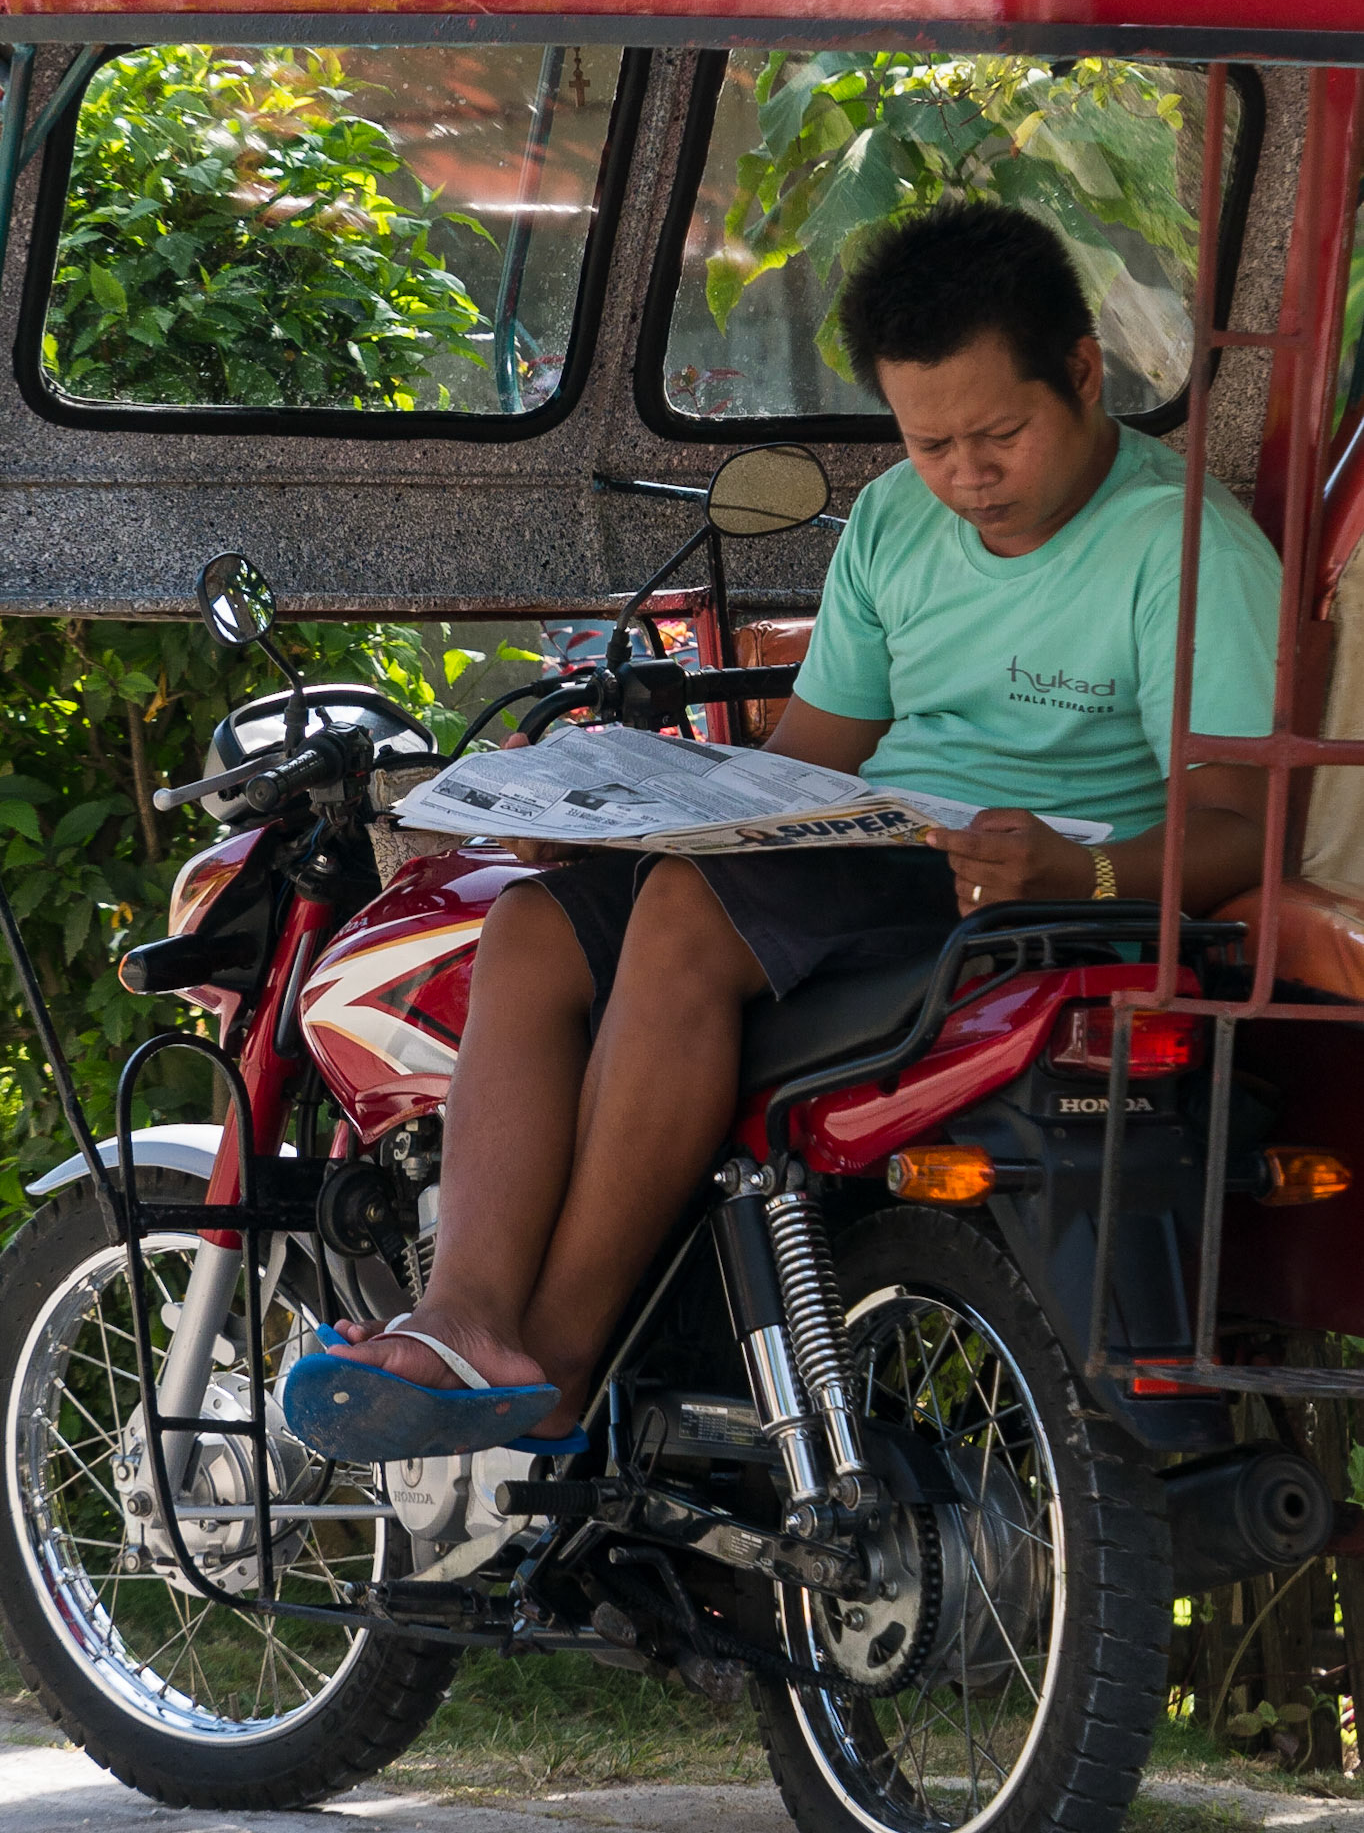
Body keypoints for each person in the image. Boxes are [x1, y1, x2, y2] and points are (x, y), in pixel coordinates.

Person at [293, 201, 1281, 1457]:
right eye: (929, 442)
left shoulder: (1184, 548)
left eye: (999, 433)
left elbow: (1239, 828)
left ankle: (555, 1361)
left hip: (1029, 881)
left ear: (1082, 373)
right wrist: (629, 816)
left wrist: (1075, 866)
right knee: (534, 923)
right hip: (877, 840)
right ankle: (463, 1316)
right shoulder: (895, 523)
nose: (966, 474)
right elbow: (811, 760)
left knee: (686, 916)